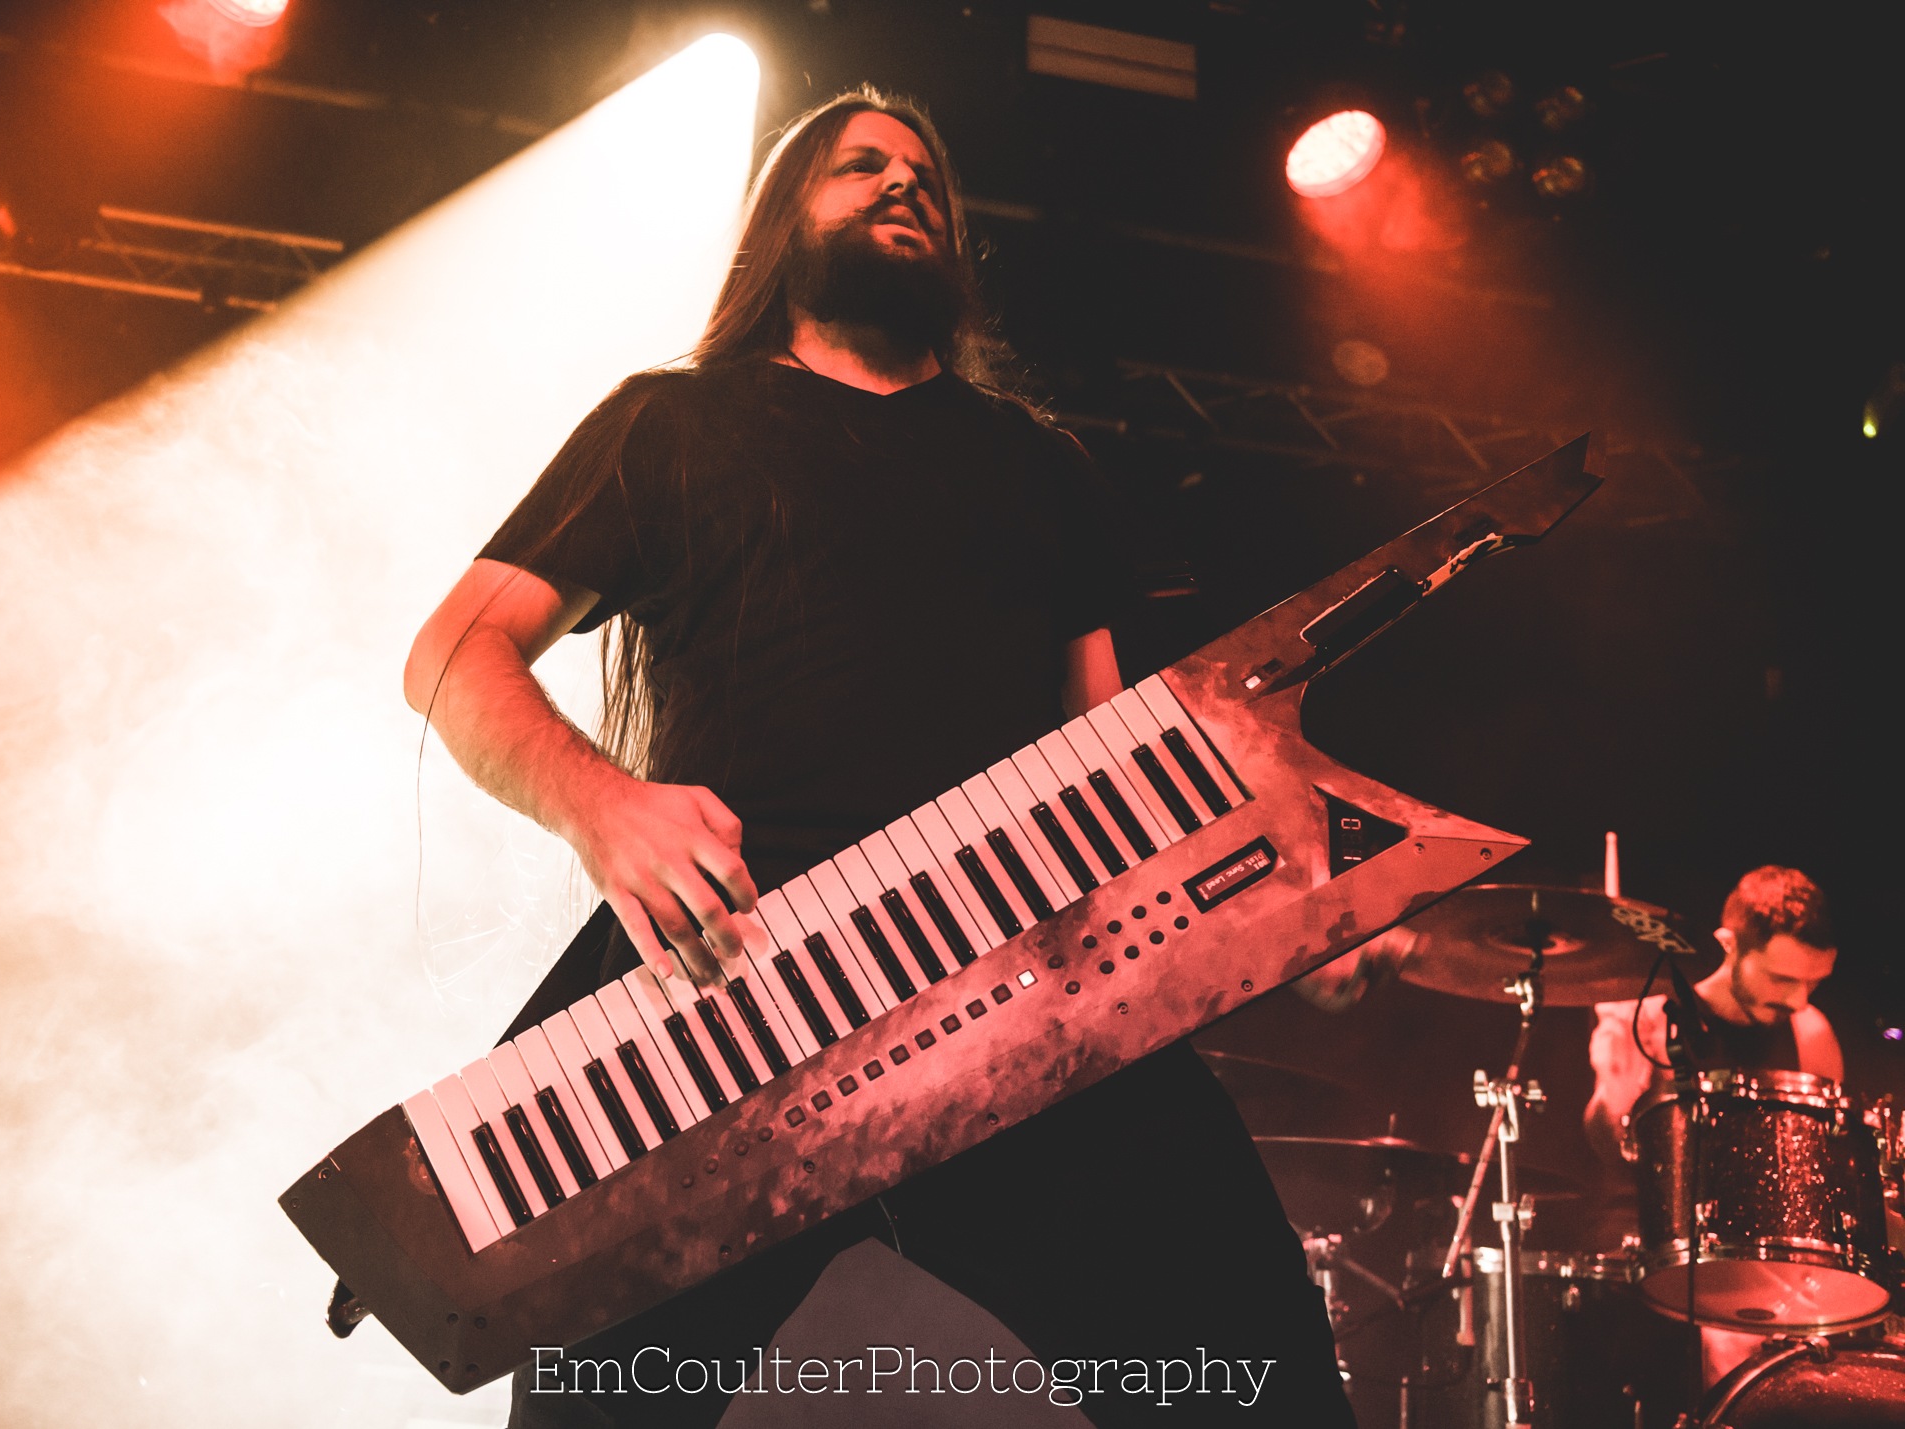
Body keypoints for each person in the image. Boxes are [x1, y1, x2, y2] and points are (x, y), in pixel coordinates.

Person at [406, 88, 1351, 1428]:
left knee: (1256, 1378)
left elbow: (1109, 749)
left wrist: (1267, 888)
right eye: (860, 166)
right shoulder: (668, 422)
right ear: (783, 218)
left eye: (925, 177)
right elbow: (452, 652)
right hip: (731, 988)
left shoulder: (1036, 462)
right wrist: (603, 808)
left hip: (1019, 978)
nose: (904, 185)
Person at [1584, 864, 1841, 1385]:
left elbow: (1822, 1175)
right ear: (1728, 945)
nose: (1798, 999)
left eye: (1814, 982)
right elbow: (1610, 1145)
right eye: (1782, 979)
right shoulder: (1652, 1015)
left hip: (1766, 1262)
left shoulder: (1810, 1032)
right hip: (1649, 1249)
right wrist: (1615, 1086)